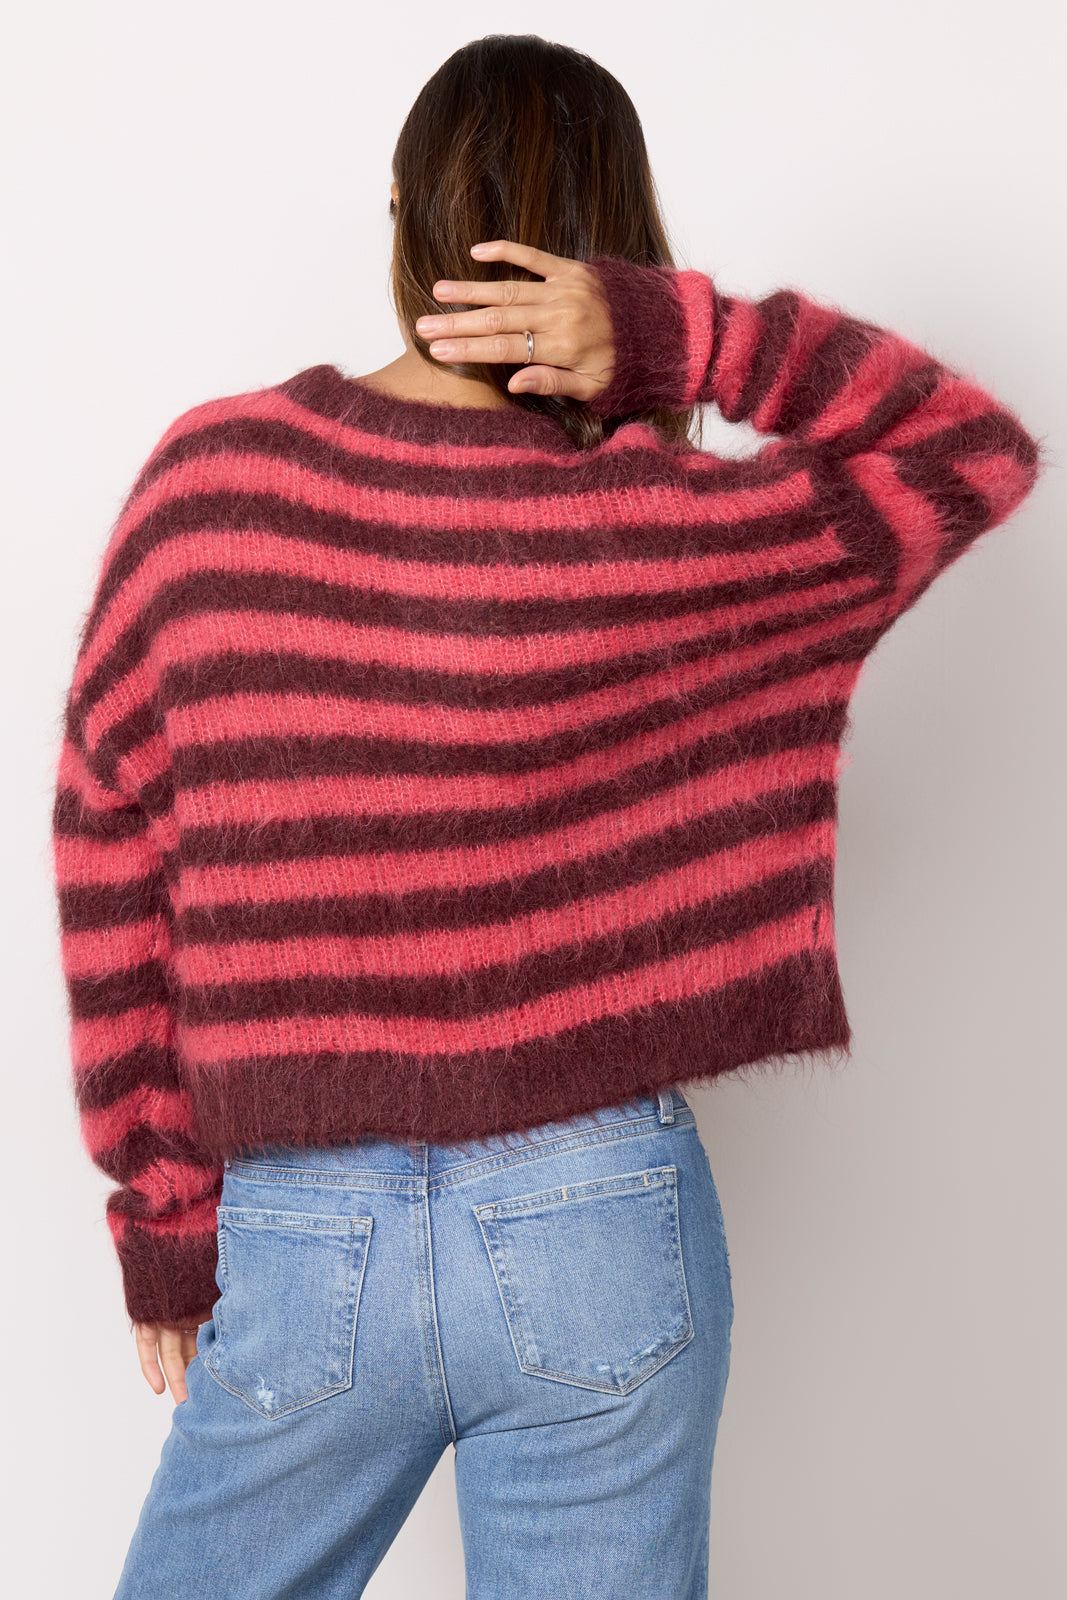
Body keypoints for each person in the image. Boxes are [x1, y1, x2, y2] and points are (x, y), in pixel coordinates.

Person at [50, 32, 1044, 1600]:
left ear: (402, 215)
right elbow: (967, 449)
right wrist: (683, 340)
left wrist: (166, 1216)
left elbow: (113, 845)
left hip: (308, 1241)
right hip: (602, 1226)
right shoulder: (656, 532)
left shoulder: (210, 490)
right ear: (612, 252)